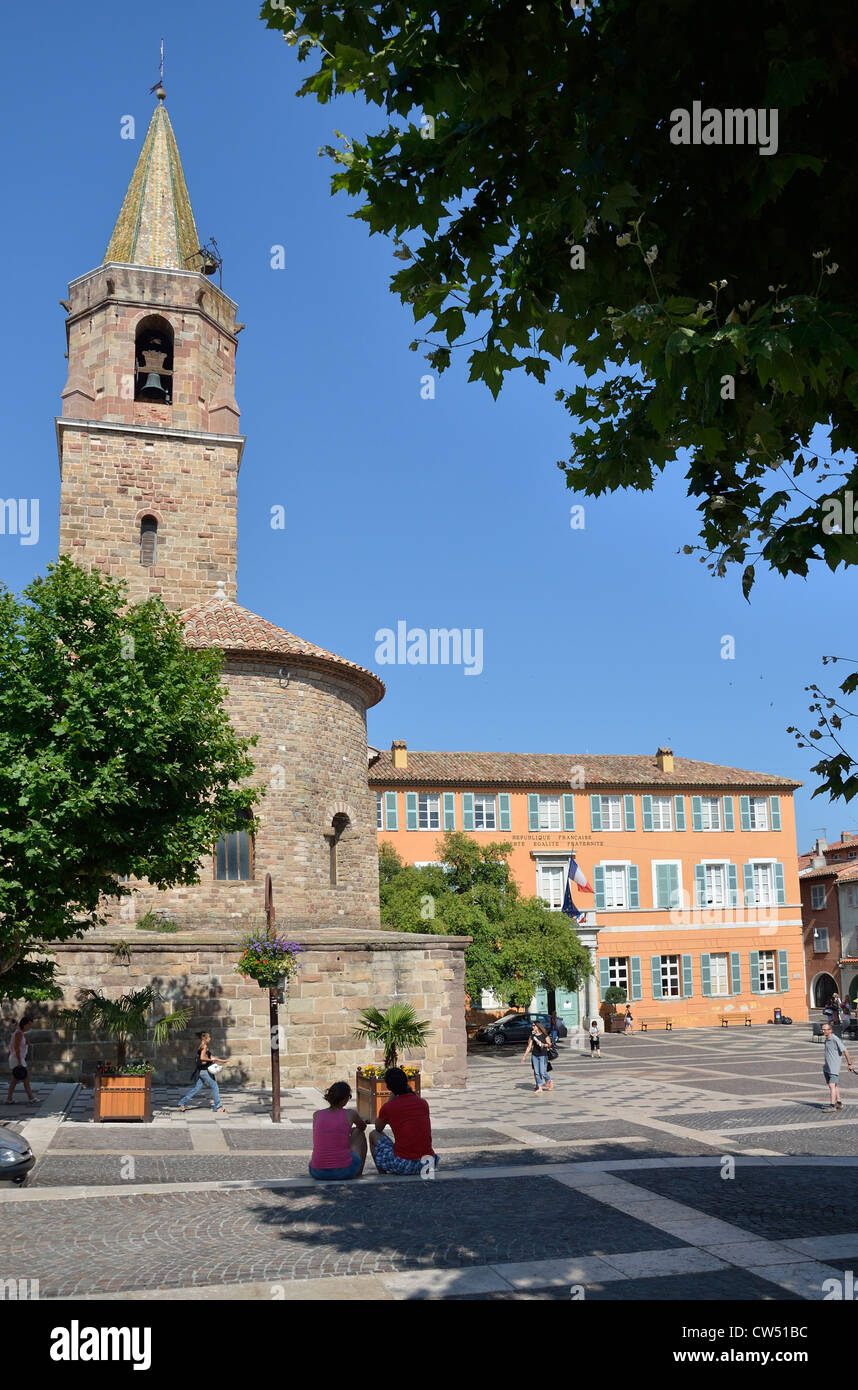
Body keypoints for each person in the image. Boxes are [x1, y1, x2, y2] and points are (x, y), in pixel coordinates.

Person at [370, 1067, 439, 1175]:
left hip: (405, 1163)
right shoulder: (422, 1103)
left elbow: (378, 1128)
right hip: (428, 1162)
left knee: (373, 1135)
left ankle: (382, 1175)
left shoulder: (389, 1107)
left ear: (388, 1087)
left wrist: (389, 1100)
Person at [309, 1081, 367, 1180]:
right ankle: (358, 1172)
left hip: (316, 1171)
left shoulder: (317, 1115)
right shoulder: (350, 1114)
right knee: (359, 1132)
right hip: (343, 1171)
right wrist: (352, 1130)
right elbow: (362, 1127)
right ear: (345, 1099)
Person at [177, 1031, 227, 1113]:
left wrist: (222, 1060)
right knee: (215, 1087)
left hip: (202, 1071)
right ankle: (218, 1107)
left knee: (196, 1088)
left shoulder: (204, 1046)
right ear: (205, 1038)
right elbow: (202, 1057)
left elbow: (211, 1056)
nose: (210, 1038)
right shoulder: (204, 1046)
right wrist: (211, 1060)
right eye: (209, 1037)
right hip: (205, 1071)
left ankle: (182, 1102)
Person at [821, 1021, 855, 1112]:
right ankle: (839, 1102)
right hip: (827, 1067)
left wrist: (849, 1064)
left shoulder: (835, 1039)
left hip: (833, 1068)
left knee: (832, 1085)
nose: (823, 1031)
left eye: (825, 1029)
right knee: (833, 1086)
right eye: (823, 1029)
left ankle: (832, 1106)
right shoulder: (826, 1040)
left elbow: (845, 1050)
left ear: (830, 1030)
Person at [5, 1016, 36, 1105]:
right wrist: (19, 1061)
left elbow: (18, 1045)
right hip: (16, 1058)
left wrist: (25, 1043)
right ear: (24, 1024)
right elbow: (16, 1048)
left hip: (17, 1058)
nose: (30, 1027)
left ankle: (9, 1098)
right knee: (24, 1078)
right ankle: (31, 1098)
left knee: (16, 1079)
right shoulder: (19, 1033)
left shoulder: (20, 1033)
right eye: (29, 1024)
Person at [522, 1020, 552, 1092]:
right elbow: (529, 1046)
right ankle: (540, 1088)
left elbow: (550, 1044)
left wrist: (542, 1044)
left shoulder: (544, 1035)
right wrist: (524, 1056)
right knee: (537, 1072)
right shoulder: (533, 1036)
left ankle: (549, 1080)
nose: (532, 1027)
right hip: (535, 1055)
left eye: (533, 1025)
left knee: (543, 1072)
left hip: (543, 1055)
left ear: (537, 1027)